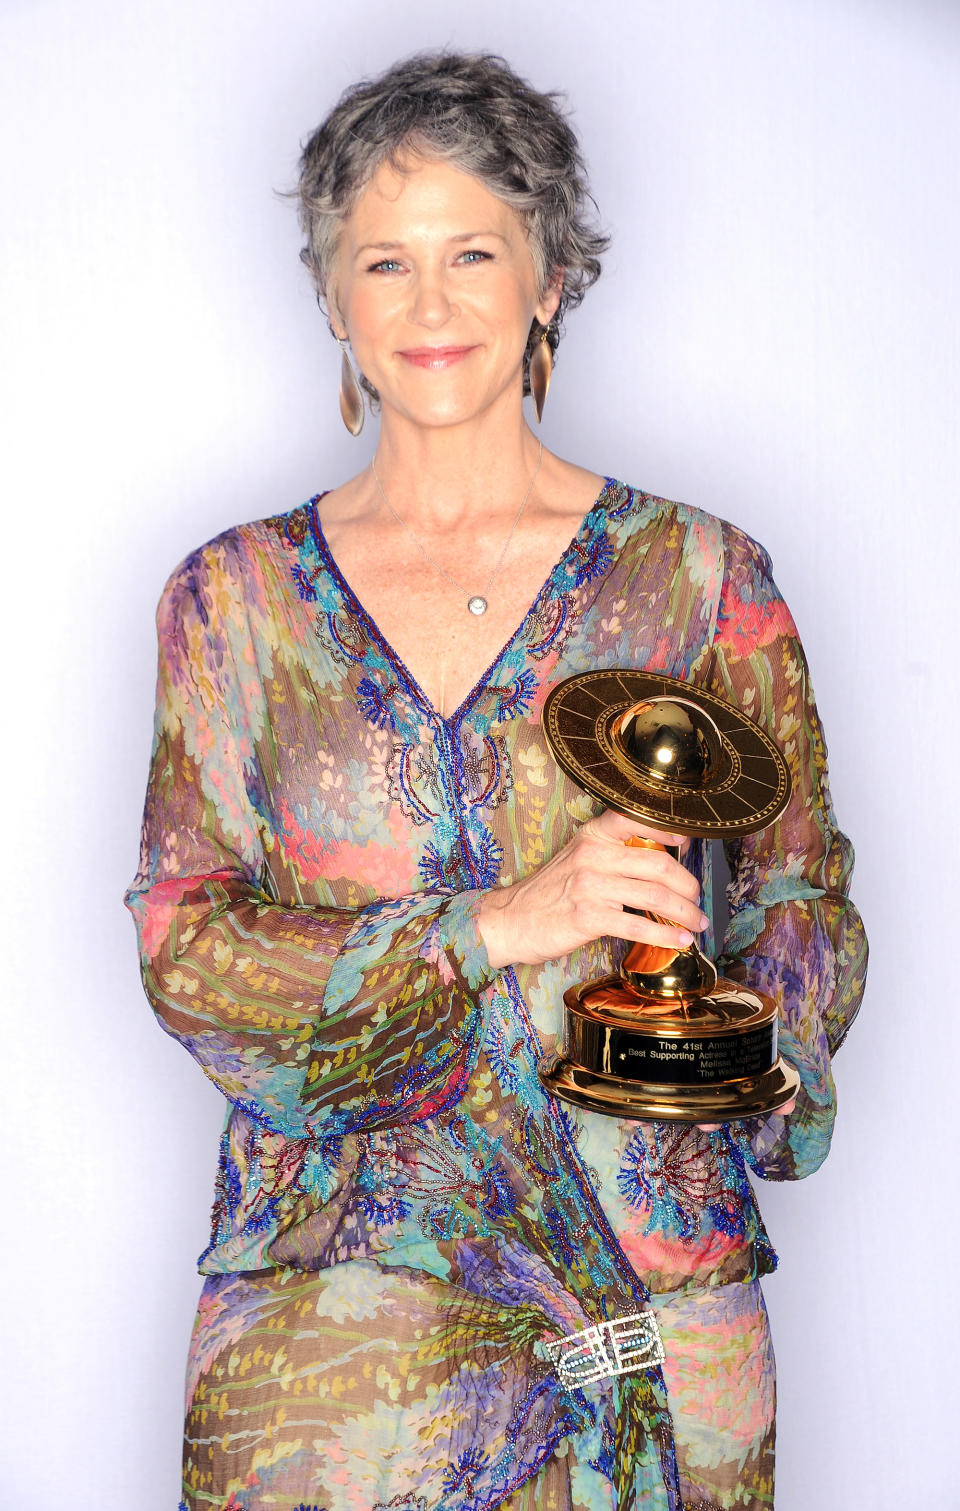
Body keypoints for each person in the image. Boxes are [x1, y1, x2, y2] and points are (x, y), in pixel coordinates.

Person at [125, 51, 866, 1511]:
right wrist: (495, 927)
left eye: (474, 251)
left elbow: (803, 894)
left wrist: (729, 1049)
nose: (431, 301)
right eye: (382, 262)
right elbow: (185, 946)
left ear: (550, 276)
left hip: (647, 1299)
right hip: (335, 1352)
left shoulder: (703, 581)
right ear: (332, 302)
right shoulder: (233, 604)